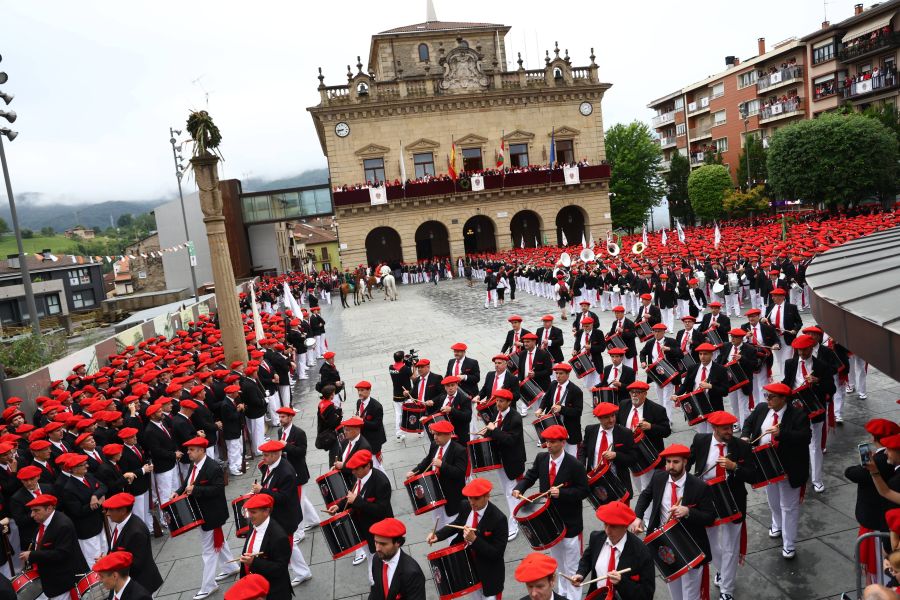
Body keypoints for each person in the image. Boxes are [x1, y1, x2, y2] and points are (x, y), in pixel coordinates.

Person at [513, 425, 589, 600]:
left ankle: (574, 597)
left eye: (553, 442)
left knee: (572, 567)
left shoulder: (575, 465)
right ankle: (561, 594)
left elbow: (584, 491)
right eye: (546, 441)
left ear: (563, 442)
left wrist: (562, 493)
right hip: (549, 523)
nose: (548, 445)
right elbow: (530, 476)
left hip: (570, 524)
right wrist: (520, 488)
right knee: (557, 564)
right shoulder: (541, 458)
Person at [630, 444, 715, 600]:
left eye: (675, 462)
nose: (670, 466)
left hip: (691, 544)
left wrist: (688, 511)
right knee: (674, 587)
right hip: (666, 542)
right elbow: (645, 496)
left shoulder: (699, 486)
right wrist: (638, 517)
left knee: (691, 593)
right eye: (668, 462)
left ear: (685, 462)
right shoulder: (658, 478)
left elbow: (710, 517)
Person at [688, 411, 756, 600]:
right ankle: (723, 570)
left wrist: (735, 468)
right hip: (707, 500)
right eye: (725, 428)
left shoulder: (742, 446)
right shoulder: (701, 440)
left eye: (731, 427)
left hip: (732, 500)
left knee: (730, 546)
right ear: (714, 428)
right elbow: (687, 463)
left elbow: (753, 475)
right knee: (709, 543)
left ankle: (727, 589)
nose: (729, 431)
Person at [740, 382, 811, 560]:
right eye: (767, 396)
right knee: (772, 500)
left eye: (771, 397)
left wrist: (782, 434)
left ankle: (789, 544)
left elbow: (805, 437)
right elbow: (749, 422)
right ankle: (777, 524)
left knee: (789, 506)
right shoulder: (762, 408)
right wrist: (745, 436)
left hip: (788, 468)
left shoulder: (798, 415)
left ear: (783, 399)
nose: (767, 400)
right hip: (766, 466)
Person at [173, 437, 238, 600]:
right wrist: (178, 491)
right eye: (188, 450)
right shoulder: (195, 465)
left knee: (208, 551)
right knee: (219, 542)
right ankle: (231, 567)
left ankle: (208, 586)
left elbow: (217, 489)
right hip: (204, 512)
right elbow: (188, 482)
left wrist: (196, 490)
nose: (188, 452)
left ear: (202, 450)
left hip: (211, 515)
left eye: (192, 450)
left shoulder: (212, 467)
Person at [427, 478, 508, 600]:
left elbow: (497, 553)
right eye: (470, 498)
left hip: (489, 574)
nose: (472, 502)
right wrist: (437, 535)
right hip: (468, 568)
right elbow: (457, 524)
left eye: (476, 498)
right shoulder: (465, 506)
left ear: (487, 496)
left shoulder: (499, 519)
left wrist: (475, 540)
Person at [846, 419, 900, 584]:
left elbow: (888, 498)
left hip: (889, 533)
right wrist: (874, 472)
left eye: (890, 449)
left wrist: (889, 546)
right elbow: (886, 492)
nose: (886, 452)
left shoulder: (896, 478)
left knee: (884, 578)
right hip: (890, 534)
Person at [251, 440, 311, 586]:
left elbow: (283, 498)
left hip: (285, 517)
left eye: (266, 455)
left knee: (286, 546)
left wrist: (262, 491)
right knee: (288, 546)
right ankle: (303, 572)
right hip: (277, 515)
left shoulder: (286, 472)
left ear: (275, 455)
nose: (263, 458)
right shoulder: (270, 465)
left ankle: (301, 572)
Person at [781, 333, 835, 494]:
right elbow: (787, 382)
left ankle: (817, 480)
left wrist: (818, 381)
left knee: (815, 446)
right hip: (795, 410)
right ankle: (798, 474)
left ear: (812, 348)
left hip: (814, 409)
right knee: (795, 443)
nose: (802, 354)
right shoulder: (790, 363)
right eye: (799, 351)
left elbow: (831, 389)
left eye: (805, 350)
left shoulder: (822, 366)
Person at [327, 449, 392, 580]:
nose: (353, 472)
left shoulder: (381, 482)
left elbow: (381, 510)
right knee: (370, 556)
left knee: (381, 560)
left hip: (378, 530)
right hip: (364, 528)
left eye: (356, 469)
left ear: (368, 465)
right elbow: (352, 494)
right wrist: (338, 506)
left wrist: (357, 501)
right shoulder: (360, 476)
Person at [572, 501, 655, 600]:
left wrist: (622, 581)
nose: (607, 530)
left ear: (625, 526)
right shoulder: (596, 538)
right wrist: (580, 574)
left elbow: (647, 594)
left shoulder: (641, 552)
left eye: (613, 526)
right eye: (605, 524)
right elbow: (587, 559)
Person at [20, 494, 88, 600]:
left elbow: (61, 554)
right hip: (51, 579)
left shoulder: (63, 525)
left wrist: (32, 555)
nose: (32, 515)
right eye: (32, 511)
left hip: (63, 581)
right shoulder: (44, 522)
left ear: (50, 508)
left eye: (36, 510)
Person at [406, 420, 466, 531]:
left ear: (448, 434)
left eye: (438, 434)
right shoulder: (434, 445)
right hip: (435, 494)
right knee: (439, 525)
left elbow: (460, 473)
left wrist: (443, 465)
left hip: (451, 496)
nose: (435, 437)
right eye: (434, 434)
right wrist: (414, 471)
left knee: (451, 526)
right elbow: (427, 461)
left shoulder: (459, 450)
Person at [482, 389, 526, 541]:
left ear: (509, 402)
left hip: (512, 461)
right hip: (502, 461)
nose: (498, 404)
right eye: (497, 401)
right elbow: (496, 431)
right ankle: (519, 511)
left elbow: (510, 440)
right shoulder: (498, 414)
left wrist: (493, 431)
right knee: (509, 490)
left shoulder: (515, 418)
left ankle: (514, 524)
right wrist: (487, 432)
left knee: (510, 492)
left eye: (501, 401)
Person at [102, 492, 163, 595]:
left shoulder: (136, 532)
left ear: (123, 511)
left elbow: (135, 564)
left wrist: (108, 564)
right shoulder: (121, 523)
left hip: (140, 585)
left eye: (110, 510)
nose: (107, 513)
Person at [617, 381, 671, 497]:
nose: (634, 395)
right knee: (637, 484)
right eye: (632, 392)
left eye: (638, 392)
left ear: (645, 394)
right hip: (630, 453)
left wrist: (651, 427)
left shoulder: (657, 409)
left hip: (648, 455)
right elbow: (617, 425)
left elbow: (666, 431)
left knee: (647, 488)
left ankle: (648, 513)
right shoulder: (623, 405)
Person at [237, 494, 293, 600]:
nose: (249, 515)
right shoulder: (254, 523)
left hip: (272, 592)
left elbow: (280, 568)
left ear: (266, 511)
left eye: (253, 512)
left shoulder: (279, 537)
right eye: (248, 511)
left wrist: (254, 563)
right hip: (254, 587)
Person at [274, 406, 317, 535]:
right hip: (288, 472)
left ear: (290, 417)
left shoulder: (299, 433)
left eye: (283, 417)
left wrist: (286, 446)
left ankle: (299, 532)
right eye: (279, 417)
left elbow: (301, 452)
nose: (280, 419)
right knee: (302, 499)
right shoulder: (280, 432)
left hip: (298, 473)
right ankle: (314, 520)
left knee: (298, 503)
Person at [62, 454, 108, 565]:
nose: (87, 466)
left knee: (104, 550)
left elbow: (103, 487)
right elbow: (78, 511)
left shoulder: (88, 476)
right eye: (83, 465)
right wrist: (98, 503)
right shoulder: (69, 488)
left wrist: (95, 496)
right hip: (86, 529)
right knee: (94, 557)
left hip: (98, 523)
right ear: (74, 469)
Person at [674, 343, 729, 434]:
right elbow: (685, 385)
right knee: (702, 434)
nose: (702, 357)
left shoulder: (720, 369)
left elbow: (725, 391)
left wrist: (711, 387)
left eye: (705, 354)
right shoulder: (693, 368)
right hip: (697, 407)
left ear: (711, 354)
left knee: (712, 434)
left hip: (713, 407)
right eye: (700, 354)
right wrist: (676, 394)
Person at [367, 518, 426, 600]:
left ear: (398, 543)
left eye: (383, 544)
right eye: (376, 542)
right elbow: (376, 590)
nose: (377, 549)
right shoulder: (377, 558)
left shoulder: (412, 573)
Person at [537, 364, 583, 457]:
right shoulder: (553, 384)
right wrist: (540, 409)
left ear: (567, 374)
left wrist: (562, 409)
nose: (558, 376)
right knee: (555, 455)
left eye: (561, 373)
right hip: (554, 425)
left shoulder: (575, 390)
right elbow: (546, 398)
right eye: (556, 373)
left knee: (571, 456)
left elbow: (578, 412)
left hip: (569, 428)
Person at [639, 323, 684, 420]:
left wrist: (669, 349)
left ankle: (668, 420)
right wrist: (643, 362)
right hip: (656, 374)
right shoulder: (650, 343)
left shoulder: (671, 341)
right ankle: (662, 417)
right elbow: (642, 353)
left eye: (659, 332)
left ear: (664, 332)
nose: (656, 334)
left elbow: (681, 354)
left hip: (669, 373)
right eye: (655, 331)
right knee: (660, 397)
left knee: (667, 398)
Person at [141, 402, 181, 511]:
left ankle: (178, 514)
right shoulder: (150, 430)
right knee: (165, 494)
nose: (161, 413)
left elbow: (170, 439)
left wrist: (175, 450)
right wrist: (173, 454)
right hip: (163, 467)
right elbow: (156, 451)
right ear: (152, 415)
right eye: (158, 412)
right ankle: (167, 519)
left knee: (174, 490)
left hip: (172, 463)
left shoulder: (162, 422)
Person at [718, 328, 760, 426]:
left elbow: (754, 365)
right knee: (734, 404)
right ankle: (737, 422)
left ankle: (745, 426)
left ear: (741, 338)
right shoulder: (726, 346)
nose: (732, 339)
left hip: (743, 381)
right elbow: (720, 360)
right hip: (730, 381)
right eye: (731, 336)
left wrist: (742, 359)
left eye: (735, 337)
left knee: (743, 405)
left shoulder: (750, 349)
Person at [355, 381, 387, 472]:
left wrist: (362, 421)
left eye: (362, 390)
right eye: (358, 391)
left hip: (374, 441)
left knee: (377, 466)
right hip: (364, 439)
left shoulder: (376, 406)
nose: (360, 393)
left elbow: (376, 425)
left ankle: (385, 482)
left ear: (369, 391)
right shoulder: (358, 402)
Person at [432, 375, 472, 444]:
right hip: (445, 436)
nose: (450, 388)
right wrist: (428, 417)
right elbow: (438, 412)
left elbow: (467, 417)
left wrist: (452, 410)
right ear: (444, 387)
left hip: (460, 436)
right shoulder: (442, 398)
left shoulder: (465, 399)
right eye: (448, 386)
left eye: (452, 385)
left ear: (457, 385)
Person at [572, 317, 604, 391]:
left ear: (592, 324)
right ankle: (593, 400)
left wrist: (591, 347)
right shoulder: (580, 332)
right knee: (588, 384)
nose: (585, 328)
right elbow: (577, 344)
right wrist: (574, 350)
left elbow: (602, 347)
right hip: (584, 363)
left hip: (595, 362)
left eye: (587, 326)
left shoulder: (598, 333)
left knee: (597, 383)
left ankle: (598, 400)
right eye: (584, 326)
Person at [388, 351, 413, 439]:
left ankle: (399, 433)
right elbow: (413, 378)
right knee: (413, 412)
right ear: (402, 358)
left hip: (396, 395)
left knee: (398, 414)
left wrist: (405, 363)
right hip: (406, 394)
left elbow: (399, 369)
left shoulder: (390, 368)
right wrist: (413, 367)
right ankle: (418, 429)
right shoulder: (406, 369)